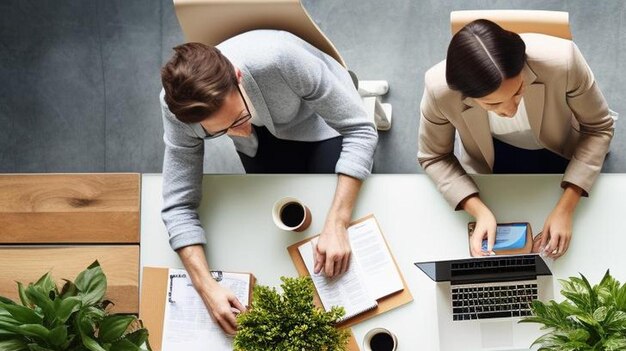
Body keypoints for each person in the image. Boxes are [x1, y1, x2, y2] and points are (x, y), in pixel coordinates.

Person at [159, 30, 378, 335]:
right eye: (217, 132)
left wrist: (337, 223)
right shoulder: (179, 112)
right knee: (275, 232)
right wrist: (206, 286)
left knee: (339, 212)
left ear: (237, 76)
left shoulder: (279, 59)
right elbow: (176, 204)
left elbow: (362, 132)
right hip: (263, 141)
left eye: (237, 118)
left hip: (318, 121)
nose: (237, 132)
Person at [418, 20, 614, 259]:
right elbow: (434, 156)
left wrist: (566, 207)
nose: (509, 110)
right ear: (465, 95)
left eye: (518, 90)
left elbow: (599, 127)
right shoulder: (440, 90)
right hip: (490, 158)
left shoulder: (564, 61)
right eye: (492, 104)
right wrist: (479, 211)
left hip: (564, 147)